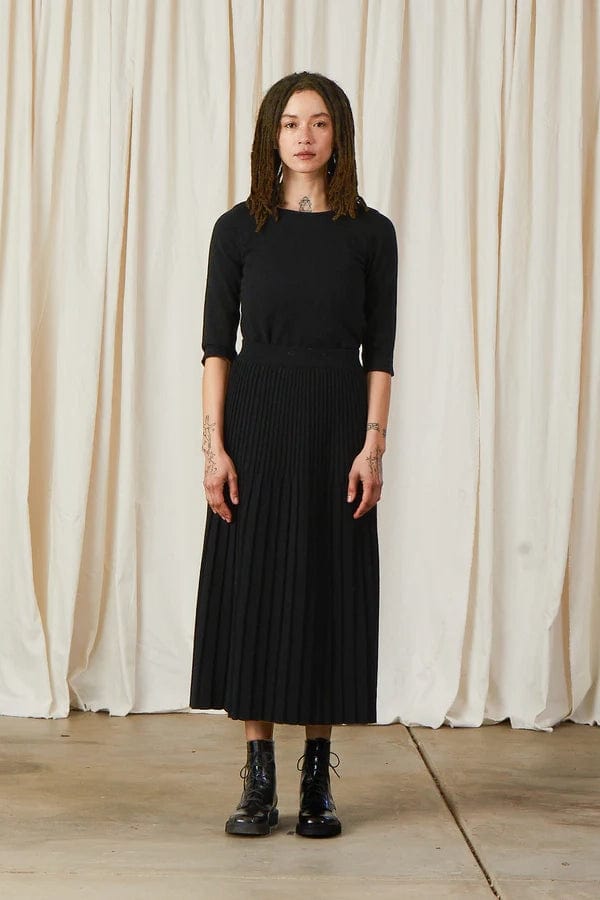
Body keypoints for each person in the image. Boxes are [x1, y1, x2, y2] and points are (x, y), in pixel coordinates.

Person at [189, 71, 398, 839]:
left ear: (338, 134)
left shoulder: (371, 233)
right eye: (289, 123)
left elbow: (381, 352)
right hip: (259, 421)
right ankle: (257, 778)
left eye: (317, 122)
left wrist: (372, 446)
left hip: (337, 421)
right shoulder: (237, 229)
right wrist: (214, 448)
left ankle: (316, 778)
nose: (303, 136)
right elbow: (216, 348)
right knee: (255, 589)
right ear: (270, 136)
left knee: (326, 591)